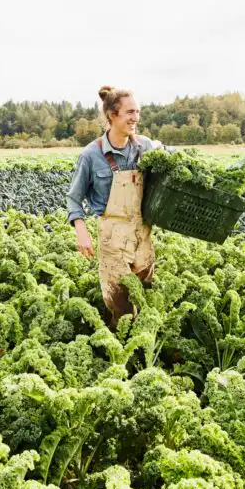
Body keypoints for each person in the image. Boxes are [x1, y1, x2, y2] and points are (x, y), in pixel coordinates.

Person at [66, 86, 170, 328]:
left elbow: (172, 156)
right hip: (113, 234)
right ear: (112, 115)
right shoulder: (91, 155)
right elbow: (74, 198)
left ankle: (146, 346)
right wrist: (81, 231)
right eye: (130, 112)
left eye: (138, 111)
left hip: (142, 231)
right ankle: (118, 347)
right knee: (121, 302)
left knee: (145, 292)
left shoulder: (144, 146)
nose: (136, 118)